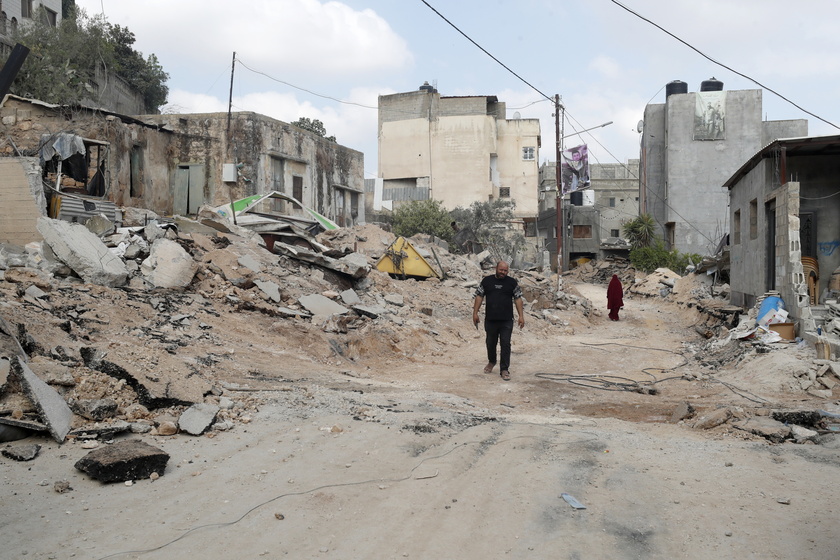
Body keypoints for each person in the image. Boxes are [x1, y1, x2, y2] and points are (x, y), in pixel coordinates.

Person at [472, 261, 525, 381]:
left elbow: (518, 299)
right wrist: (475, 313)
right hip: (491, 319)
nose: (503, 273)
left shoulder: (512, 283)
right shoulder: (487, 281)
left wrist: (521, 316)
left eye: (505, 271)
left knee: (505, 344)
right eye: (501, 270)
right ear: (496, 268)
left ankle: (504, 369)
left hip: (507, 320)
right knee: (490, 342)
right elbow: (479, 296)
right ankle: (492, 361)